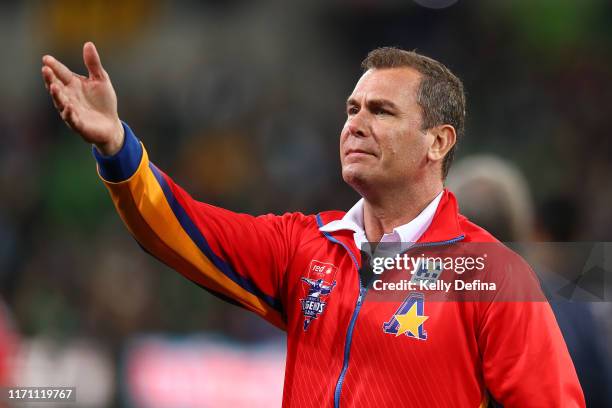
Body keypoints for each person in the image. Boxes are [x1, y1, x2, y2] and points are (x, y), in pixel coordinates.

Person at [41, 43, 585, 407]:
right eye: (352, 109)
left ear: (438, 142)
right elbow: (184, 229)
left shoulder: (494, 276)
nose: (355, 124)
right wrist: (116, 146)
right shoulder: (306, 247)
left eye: (382, 111)